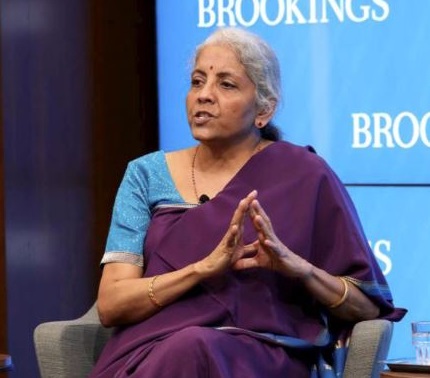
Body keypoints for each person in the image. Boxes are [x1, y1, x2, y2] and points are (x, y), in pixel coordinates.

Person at [89, 27, 405, 377]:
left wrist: (298, 268)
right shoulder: (145, 175)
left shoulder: (305, 174)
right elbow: (111, 305)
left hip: (261, 356)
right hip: (149, 352)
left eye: (226, 84)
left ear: (264, 110)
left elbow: (366, 308)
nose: (204, 96)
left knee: (193, 345)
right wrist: (202, 269)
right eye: (197, 82)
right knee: (187, 346)